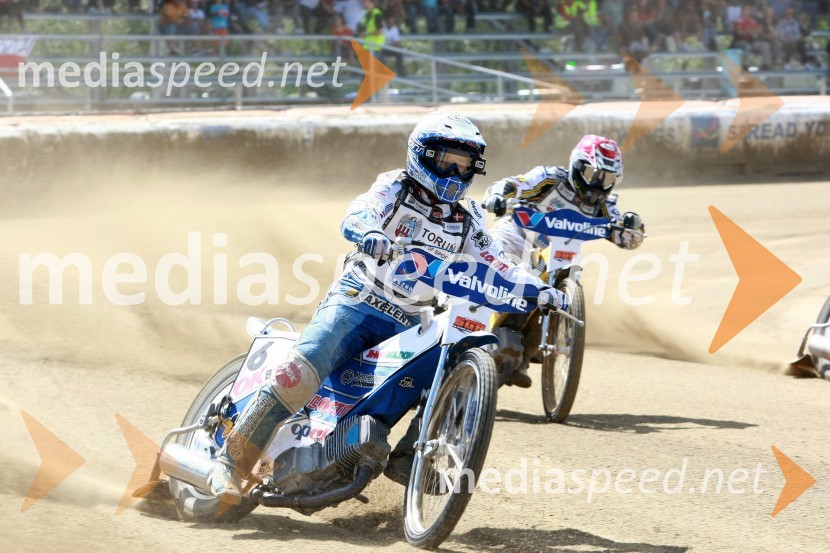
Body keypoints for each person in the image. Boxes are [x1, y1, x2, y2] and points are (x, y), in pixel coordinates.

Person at [206, 112, 569, 504]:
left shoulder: (469, 218)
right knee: (303, 368)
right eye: (445, 159)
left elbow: (496, 263)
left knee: (445, 370)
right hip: (357, 301)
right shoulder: (394, 187)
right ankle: (230, 464)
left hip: (412, 320)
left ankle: (410, 456)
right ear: (421, 155)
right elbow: (359, 212)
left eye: (462, 165)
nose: (452, 171)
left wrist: (539, 289)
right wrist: (370, 232)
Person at [481, 135, 645, 388]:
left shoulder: (605, 204)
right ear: (577, 166)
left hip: (557, 253)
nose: (599, 185)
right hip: (516, 234)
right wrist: (499, 195)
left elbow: (627, 239)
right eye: (593, 174)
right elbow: (513, 184)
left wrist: (632, 228)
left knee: (551, 293)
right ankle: (469, 320)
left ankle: (518, 355)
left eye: (608, 179)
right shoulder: (549, 178)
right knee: (495, 267)